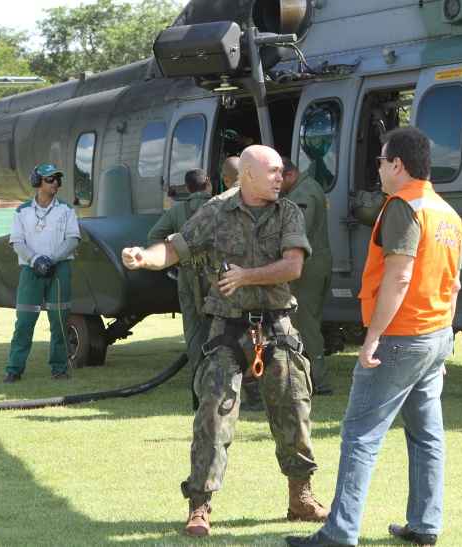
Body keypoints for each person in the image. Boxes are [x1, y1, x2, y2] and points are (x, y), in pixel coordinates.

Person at [122, 145, 328, 537]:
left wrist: (245, 276)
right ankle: (199, 506)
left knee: (294, 410)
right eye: (271, 171)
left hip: (277, 327)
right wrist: (145, 257)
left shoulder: (288, 212)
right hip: (229, 329)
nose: (279, 178)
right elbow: (176, 246)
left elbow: (293, 265)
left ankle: (300, 497)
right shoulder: (217, 211)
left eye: (282, 171)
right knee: (213, 415)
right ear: (247, 174)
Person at [286, 128, 462, 547]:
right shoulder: (445, 212)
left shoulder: (403, 207)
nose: (379, 169)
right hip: (435, 334)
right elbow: (454, 285)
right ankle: (424, 524)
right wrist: (445, 336)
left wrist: (372, 339)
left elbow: (399, 276)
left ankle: (340, 531)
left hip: (402, 336)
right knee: (427, 436)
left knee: (360, 435)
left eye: (381, 161)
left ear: (397, 165)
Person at [5, 163, 81, 382]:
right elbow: (17, 242)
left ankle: (59, 368)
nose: (56, 183)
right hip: (30, 271)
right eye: (50, 179)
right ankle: (14, 369)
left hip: (60, 270)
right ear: (37, 182)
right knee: (24, 322)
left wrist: (52, 259)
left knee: (59, 321)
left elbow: (73, 239)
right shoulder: (22, 211)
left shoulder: (66, 210)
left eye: (58, 179)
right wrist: (35, 259)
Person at [147, 168, 213, 378]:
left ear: (187, 188)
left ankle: (197, 375)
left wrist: (174, 258)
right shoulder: (220, 206)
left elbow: (154, 236)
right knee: (221, 323)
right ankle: (220, 373)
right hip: (217, 275)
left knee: (193, 327)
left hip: (187, 274)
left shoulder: (177, 211)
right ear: (208, 183)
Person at [282, 157, 334, 395]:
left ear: (289, 175)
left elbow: (297, 233)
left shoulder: (301, 194)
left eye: (277, 178)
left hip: (307, 267)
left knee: (306, 324)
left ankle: (318, 381)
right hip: (315, 264)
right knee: (308, 322)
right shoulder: (309, 186)